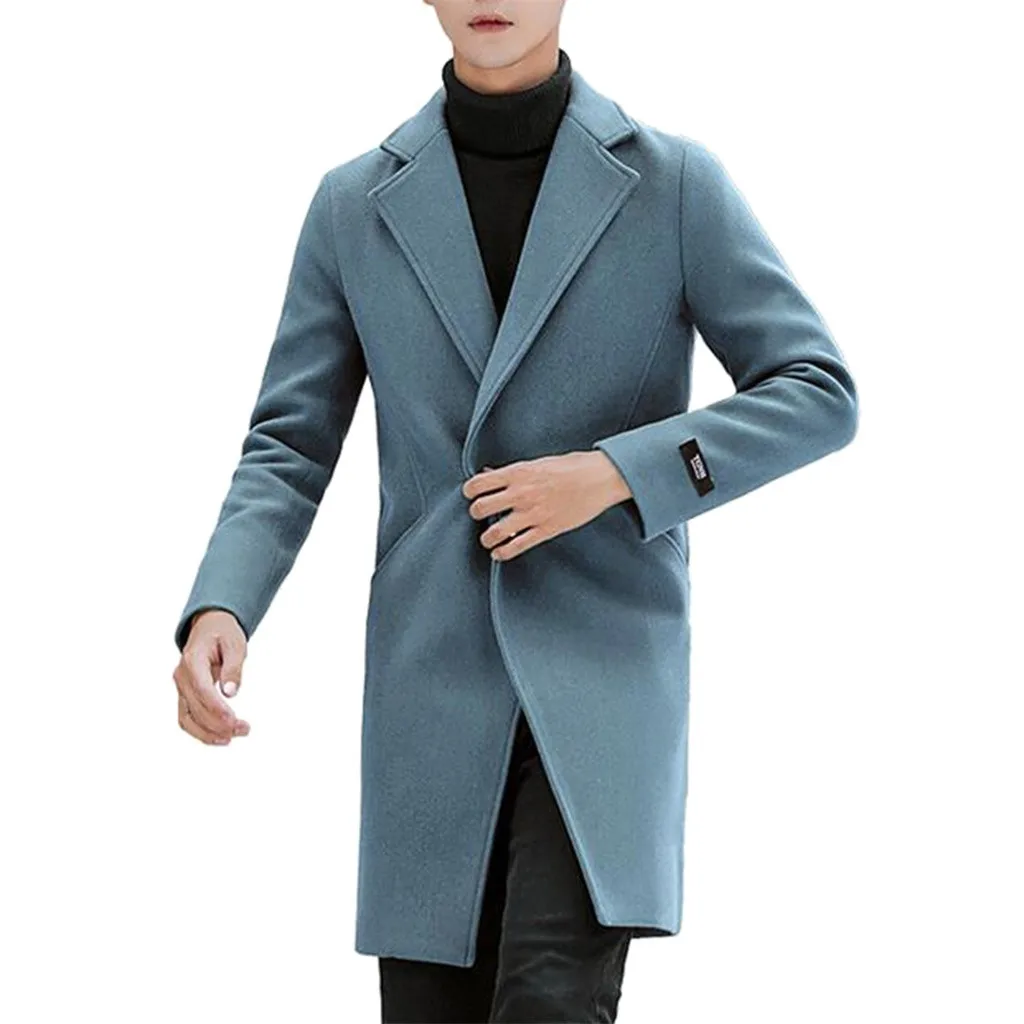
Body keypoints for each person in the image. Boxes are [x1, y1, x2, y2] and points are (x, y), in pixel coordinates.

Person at [171, 2, 858, 1021]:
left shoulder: (673, 184)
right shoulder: (352, 206)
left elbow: (815, 391)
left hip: (603, 680)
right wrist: (222, 603)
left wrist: (613, 473)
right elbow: (290, 441)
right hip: (431, 685)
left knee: (548, 1002)